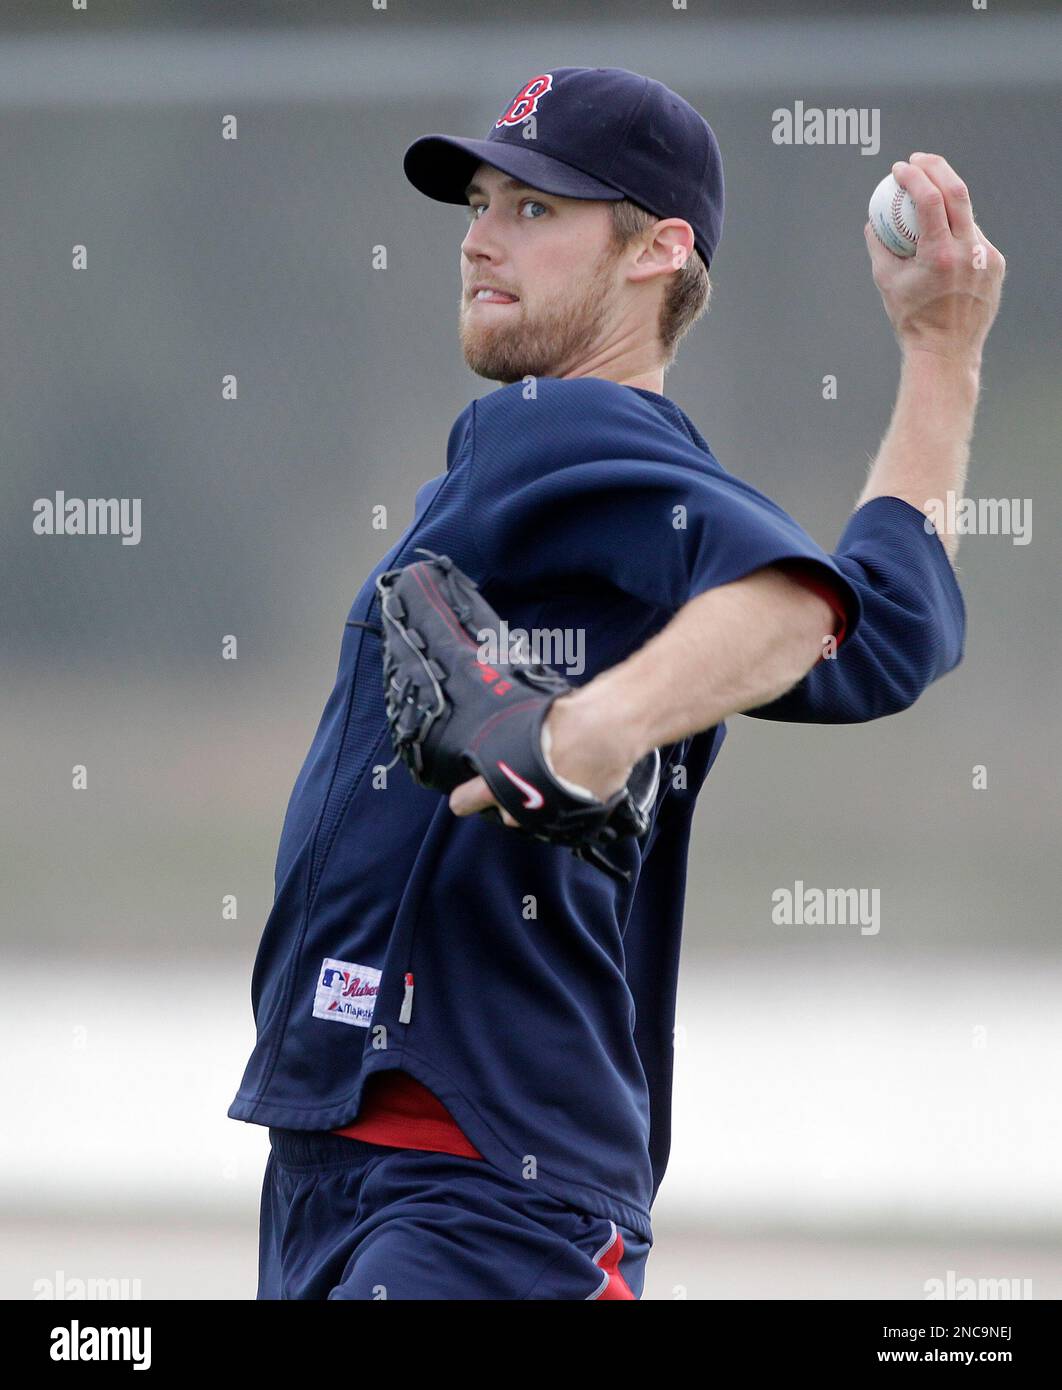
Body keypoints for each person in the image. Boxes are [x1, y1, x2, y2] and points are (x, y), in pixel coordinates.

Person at [232, 66, 1005, 1300]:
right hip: (405, 1175)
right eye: (480, 200)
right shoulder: (596, 485)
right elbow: (891, 621)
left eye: (537, 208)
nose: (481, 236)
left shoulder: (555, 428)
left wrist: (592, 728)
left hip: (471, 1189)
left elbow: (807, 605)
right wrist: (939, 355)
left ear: (660, 251)